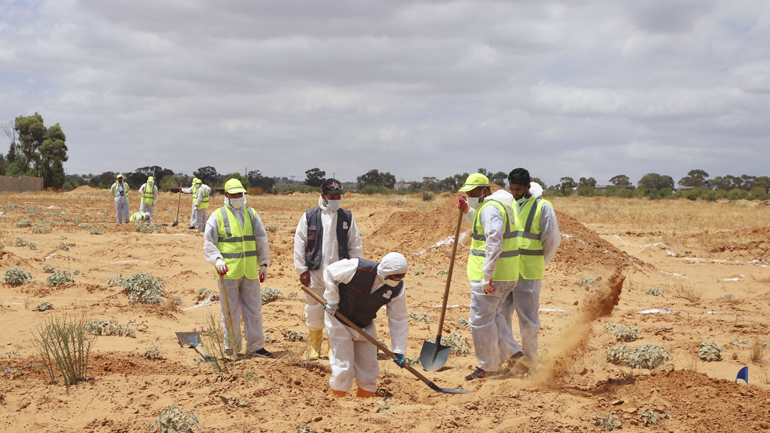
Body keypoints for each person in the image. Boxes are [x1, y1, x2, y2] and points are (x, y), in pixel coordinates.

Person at [457, 173, 522, 381]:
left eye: (472, 193)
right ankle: (517, 357)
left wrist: (487, 274)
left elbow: (494, 239)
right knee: (493, 317)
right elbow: (480, 226)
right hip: (505, 274)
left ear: (485, 190)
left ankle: (488, 366)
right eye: (467, 193)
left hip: (492, 278)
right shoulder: (493, 206)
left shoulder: (491, 208)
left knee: (479, 321)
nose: (469, 195)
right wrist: (468, 210)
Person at [322, 252, 409, 397]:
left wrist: (399, 350)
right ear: (385, 272)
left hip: (365, 325)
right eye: (396, 276)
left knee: (369, 368)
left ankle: (366, 402)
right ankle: (337, 400)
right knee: (343, 366)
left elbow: (398, 318)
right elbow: (330, 271)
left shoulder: (397, 288)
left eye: (402, 276)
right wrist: (332, 300)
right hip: (339, 320)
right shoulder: (358, 268)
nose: (399, 279)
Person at [294, 178, 364, 359]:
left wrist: (355, 271)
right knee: (314, 310)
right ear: (323, 196)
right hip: (314, 273)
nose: (336, 200)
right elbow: (300, 243)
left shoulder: (347, 218)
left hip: (340, 276)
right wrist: (301, 270)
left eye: (338, 196)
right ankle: (315, 347)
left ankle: (333, 348)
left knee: (337, 312)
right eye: (332, 196)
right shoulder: (309, 217)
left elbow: (355, 246)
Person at [501, 168, 561, 375]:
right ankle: (512, 357)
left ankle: (531, 361)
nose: (514, 192)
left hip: (528, 272)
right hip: (507, 271)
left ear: (528, 187)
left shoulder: (542, 207)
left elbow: (551, 240)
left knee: (528, 319)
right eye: (512, 188)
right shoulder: (509, 204)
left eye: (518, 189)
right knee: (501, 314)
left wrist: (539, 261)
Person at [203, 178, 271, 358]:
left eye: (240, 194)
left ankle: (256, 347)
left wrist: (263, 263)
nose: (238, 198)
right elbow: (209, 243)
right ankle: (231, 348)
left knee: (254, 310)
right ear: (226, 195)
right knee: (229, 312)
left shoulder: (252, 214)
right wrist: (217, 259)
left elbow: (261, 240)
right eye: (234, 195)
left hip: (249, 271)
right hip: (228, 273)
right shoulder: (217, 216)